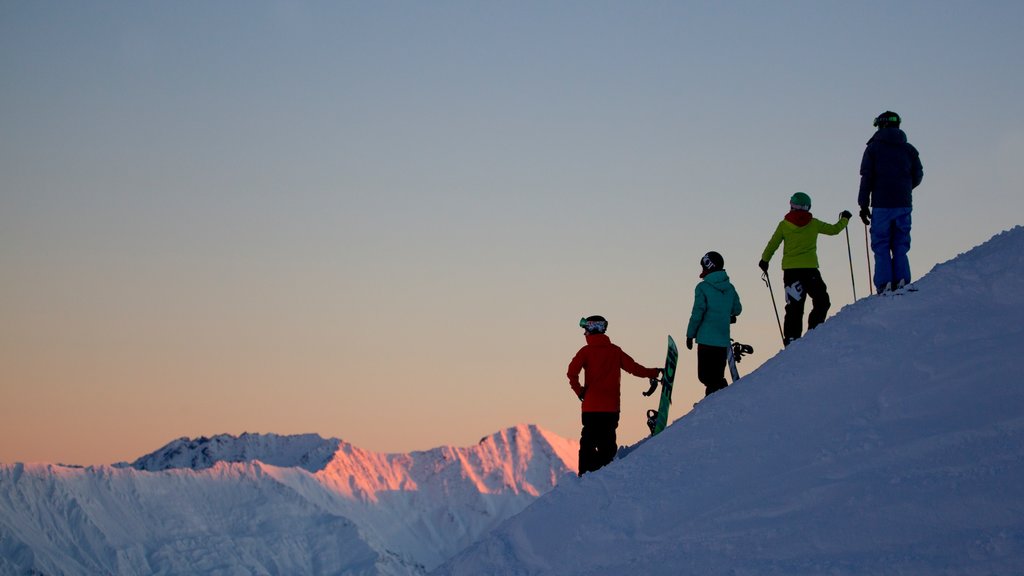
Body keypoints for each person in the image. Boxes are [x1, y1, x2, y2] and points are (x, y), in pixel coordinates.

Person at [567, 315, 661, 476]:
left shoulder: (585, 352)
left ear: (592, 330)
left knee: (588, 442)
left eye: (585, 330)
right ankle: (605, 472)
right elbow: (634, 368)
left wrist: (580, 391)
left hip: (591, 408)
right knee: (607, 441)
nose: (584, 334)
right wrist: (655, 372)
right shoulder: (615, 351)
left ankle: (585, 476)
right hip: (611, 407)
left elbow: (571, 373)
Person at [759, 192, 852, 345]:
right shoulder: (814, 223)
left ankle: (791, 338)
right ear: (808, 207)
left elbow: (773, 244)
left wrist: (764, 260)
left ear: (792, 206)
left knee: (794, 306)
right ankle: (814, 331)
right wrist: (845, 219)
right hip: (810, 270)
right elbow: (834, 230)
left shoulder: (784, 225)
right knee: (822, 301)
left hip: (791, 272)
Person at [858, 110, 924, 294]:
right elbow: (918, 175)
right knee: (901, 242)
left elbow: (866, 177)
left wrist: (863, 204)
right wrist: (905, 188)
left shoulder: (873, 149)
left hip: (881, 204)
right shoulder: (909, 149)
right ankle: (902, 279)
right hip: (903, 203)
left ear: (880, 125)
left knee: (881, 243)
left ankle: (884, 283)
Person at [685, 251, 742, 397]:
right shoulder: (730, 288)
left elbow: (698, 313)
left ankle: (713, 402)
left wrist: (690, 334)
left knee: (705, 376)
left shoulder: (702, 288)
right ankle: (719, 400)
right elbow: (737, 309)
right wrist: (728, 316)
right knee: (717, 375)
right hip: (722, 340)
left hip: (705, 339)